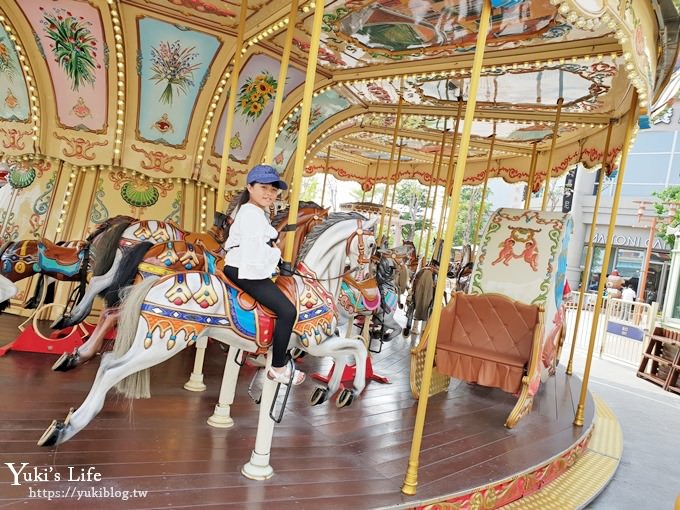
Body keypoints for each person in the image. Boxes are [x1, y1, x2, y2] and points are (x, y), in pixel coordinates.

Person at [224, 164, 304, 385]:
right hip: (245, 269)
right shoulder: (251, 214)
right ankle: (278, 367)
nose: (269, 193)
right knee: (288, 311)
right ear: (249, 187)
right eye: (264, 187)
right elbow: (253, 251)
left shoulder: (255, 213)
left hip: (243, 265)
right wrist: (274, 255)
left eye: (273, 189)